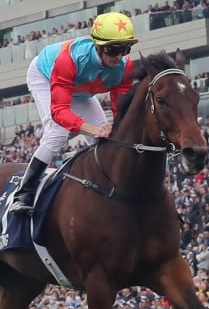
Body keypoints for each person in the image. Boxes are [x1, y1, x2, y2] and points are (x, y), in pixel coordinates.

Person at [10, 11, 139, 214]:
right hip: (44, 75)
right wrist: (92, 129)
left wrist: (111, 126)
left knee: (104, 142)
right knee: (57, 133)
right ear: (99, 46)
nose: (120, 56)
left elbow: (119, 107)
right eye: (114, 49)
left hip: (81, 89)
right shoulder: (69, 59)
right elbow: (59, 112)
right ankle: (23, 193)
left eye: (125, 48)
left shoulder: (125, 67)